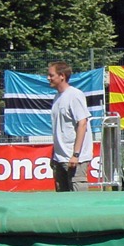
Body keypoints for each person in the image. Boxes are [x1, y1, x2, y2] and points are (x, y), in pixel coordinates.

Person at [47, 61, 91, 192]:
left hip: (74, 158)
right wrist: (54, 154)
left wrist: (76, 154)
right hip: (59, 158)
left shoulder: (75, 95)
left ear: (62, 76)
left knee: (78, 198)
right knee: (63, 199)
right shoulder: (57, 97)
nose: (48, 78)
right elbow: (59, 129)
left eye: (51, 75)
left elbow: (82, 123)